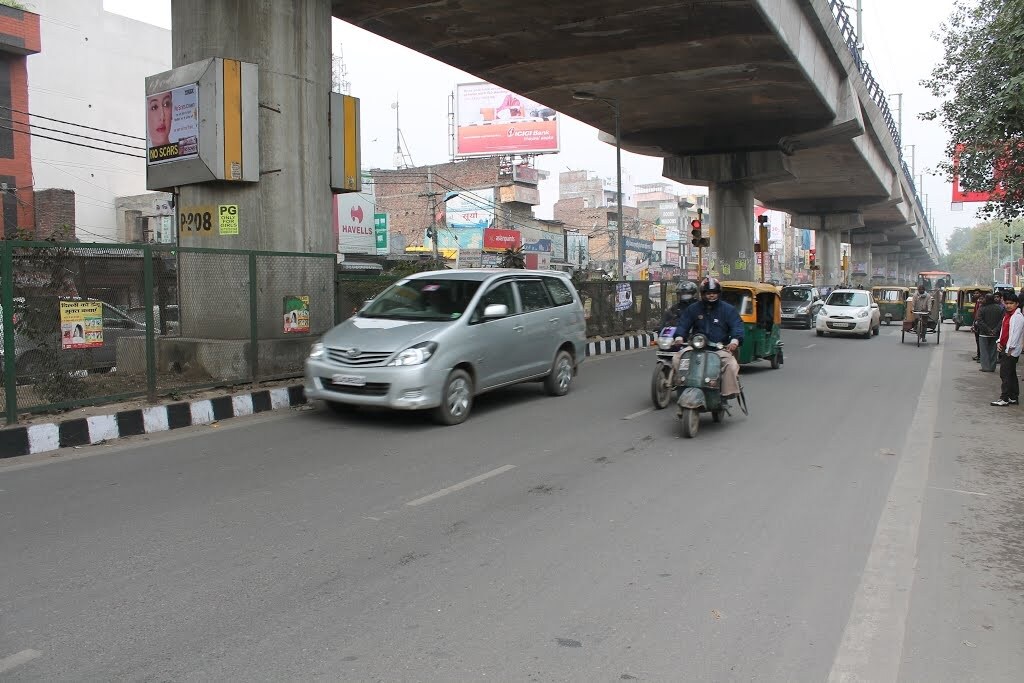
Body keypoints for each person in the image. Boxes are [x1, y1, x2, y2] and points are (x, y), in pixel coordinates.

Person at [674, 277, 744, 401]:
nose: (711, 295)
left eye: (714, 293)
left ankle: (726, 393)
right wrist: (679, 336)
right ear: (703, 294)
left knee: (731, 365)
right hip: (696, 347)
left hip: (719, 348)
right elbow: (683, 323)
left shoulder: (728, 310)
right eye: (708, 293)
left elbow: (736, 326)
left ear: (718, 293)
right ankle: (682, 383)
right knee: (677, 358)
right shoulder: (693, 308)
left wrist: (734, 341)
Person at [992, 293, 1023, 406]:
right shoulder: (1007, 315)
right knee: (1011, 373)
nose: (1008, 305)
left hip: (1011, 350)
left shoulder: (1018, 317)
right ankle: (1013, 397)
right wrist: (999, 342)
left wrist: (1010, 349)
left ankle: (1004, 398)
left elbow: (1016, 335)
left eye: (1011, 303)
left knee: (1004, 374)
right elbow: (1003, 331)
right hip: (1005, 346)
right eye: (1007, 303)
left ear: (1017, 304)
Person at [976, 294, 1003, 372]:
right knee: (993, 351)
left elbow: (980, 320)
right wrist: (995, 330)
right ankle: (992, 367)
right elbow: (1002, 320)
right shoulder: (999, 308)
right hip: (995, 334)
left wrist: (988, 330)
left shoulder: (982, 308)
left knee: (984, 351)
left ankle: (985, 367)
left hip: (983, 334)